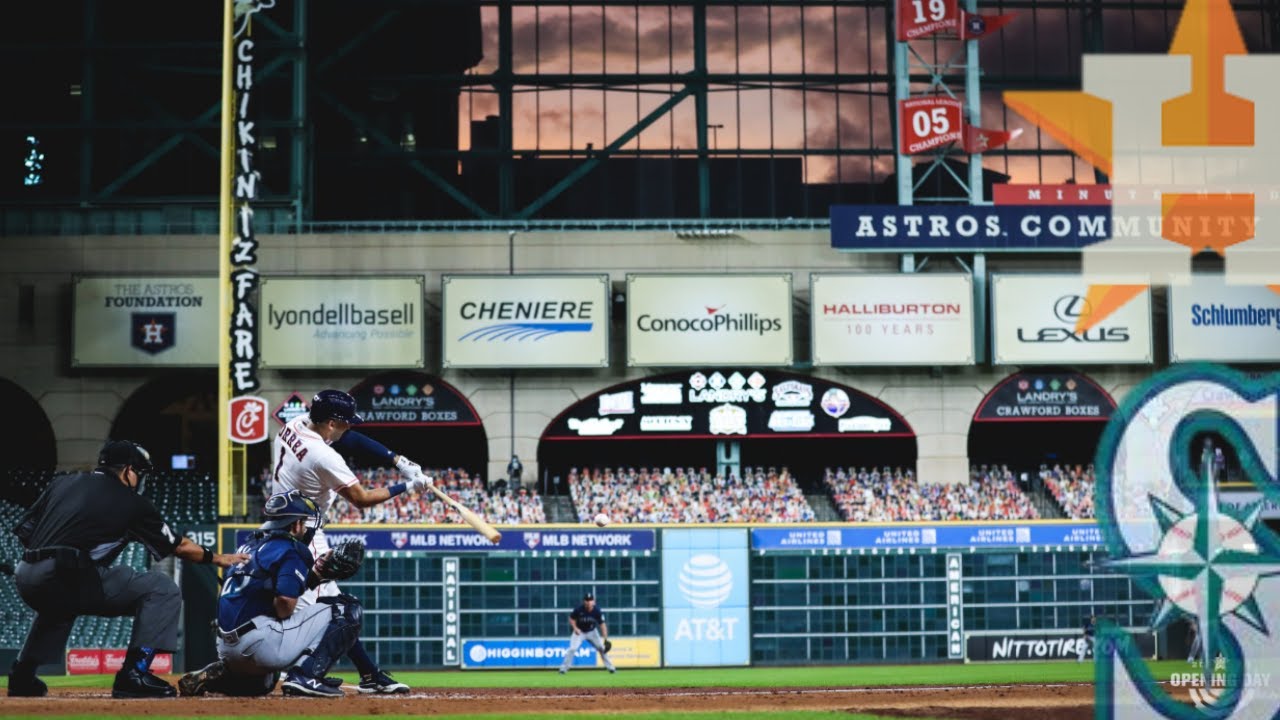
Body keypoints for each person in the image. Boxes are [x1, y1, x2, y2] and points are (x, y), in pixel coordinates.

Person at [8, 440, 247, 698]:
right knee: (162, 589)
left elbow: (26, 531)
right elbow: (179, 546)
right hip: (67, 572)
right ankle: (134, 674)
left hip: (26, 573)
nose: (140, 480)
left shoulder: (62, 483)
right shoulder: (132, 503)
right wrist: (218, 558)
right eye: (140, 473)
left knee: (59, 605)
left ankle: (22, 675)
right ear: (127, 471)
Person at [269, 389, 431, 694]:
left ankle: (368, 674)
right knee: (335, 611)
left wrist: (397, 459)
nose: (349, 427)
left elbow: (350, 438)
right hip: (304, 535)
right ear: (331, 422)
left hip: (280, 522)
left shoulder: (297, 424)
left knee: (331, 605)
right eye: (345, 422)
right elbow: (362, 499)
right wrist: (409, 485)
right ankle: (304, 673)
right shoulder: (322, 455)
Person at [179, 491, 364, 698]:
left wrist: (317, 575)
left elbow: (264, 589)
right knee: (348, 608)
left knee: (264, 683)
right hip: (258, 642)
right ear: (295, 525)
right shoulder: (292, 548)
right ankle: (307, 676)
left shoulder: (251, 544)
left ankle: (218, 678)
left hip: (226, 647)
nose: (306, 528)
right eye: (304, 522)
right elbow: (284, 603)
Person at [558, 592, 616, 674]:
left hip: (592, 632)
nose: (589, 602)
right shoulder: (579, 609)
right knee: (572, 649)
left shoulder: (597, 611)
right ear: (584, 601)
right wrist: (575, 628)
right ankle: (563, 669)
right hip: (580, 632)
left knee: (602, 648)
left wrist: (606, 639)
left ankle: (611, 668)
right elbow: (571, 618)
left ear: (594, 602)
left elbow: (602, 625)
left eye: (590, 600)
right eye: (587, 600)